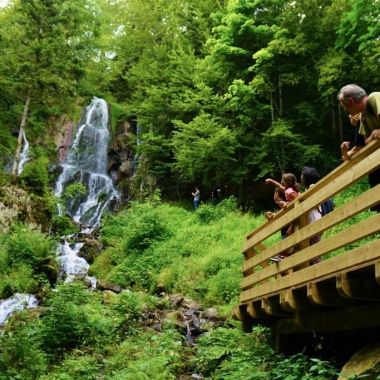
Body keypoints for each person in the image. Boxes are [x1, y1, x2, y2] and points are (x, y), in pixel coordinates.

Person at [338, 84, 380, 210]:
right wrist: (373, 135)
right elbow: (366, 142)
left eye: (345, 107)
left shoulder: (374, 98)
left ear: (351, 101)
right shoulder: (363, 116)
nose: (346, 111)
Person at [265, 173, 300, 261]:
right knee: (288, 234)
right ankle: (283, 254)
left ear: (287, 182)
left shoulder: (289, 191)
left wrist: (288, 204)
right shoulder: (288, 189)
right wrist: (271, 181)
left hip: (299, 214)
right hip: (296, 214)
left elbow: (299, 199)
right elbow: (280, 186)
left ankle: (284, 254)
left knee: (288, 234)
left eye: (282, 180)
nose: (281, 182)